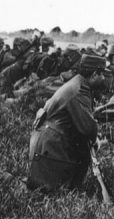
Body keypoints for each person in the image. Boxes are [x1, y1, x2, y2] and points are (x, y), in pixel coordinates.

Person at [27, 54, 109, 191]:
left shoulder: (76, 82)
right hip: (50, 149)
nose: (104, 79)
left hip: (45, 145)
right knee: (51, 192)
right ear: (94, 74)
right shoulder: (79, 90)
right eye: (102, 75)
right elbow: (88, 129)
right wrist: (96, 139)